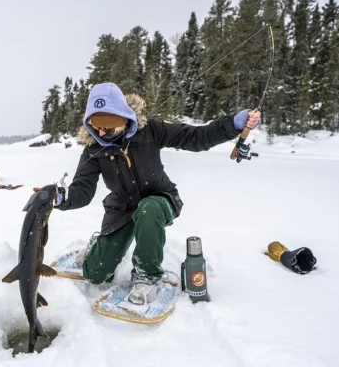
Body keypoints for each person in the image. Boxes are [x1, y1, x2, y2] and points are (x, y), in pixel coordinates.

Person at [53, 82, 260, 305]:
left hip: (160, 200)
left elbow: (196, 137)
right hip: (121, 209)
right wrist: (62, 198)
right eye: (96, 123)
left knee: (148, 208)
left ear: (123, 117)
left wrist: (233, 124)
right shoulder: (93, 149)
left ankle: (147, 276)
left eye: (109, 124)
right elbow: (82, 189)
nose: (101, 131)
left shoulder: (151, 131)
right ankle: (96, 249)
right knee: (96, 274)